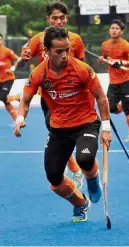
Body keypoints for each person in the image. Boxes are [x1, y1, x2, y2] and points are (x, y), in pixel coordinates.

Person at [14, 27, 112, 222]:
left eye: (67, 49)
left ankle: (92, 181)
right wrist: (19, 118)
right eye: (59, 51)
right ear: (47, 51)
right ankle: (80, 203)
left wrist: (106, 128)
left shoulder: (82, 69)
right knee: (54, 178)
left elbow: (101, 97)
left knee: (84, 159)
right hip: (59, 128)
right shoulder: (39, 74)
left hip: (86, 123)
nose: (65, 55)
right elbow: (25, 101)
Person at [20, 1, 86, 188]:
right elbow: (25, 58)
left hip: (73, 96)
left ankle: (77, 169)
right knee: (57, 133)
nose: (58, 21)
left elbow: (83, 67)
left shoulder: (76, 39)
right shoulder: (39, 39)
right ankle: (74, 169)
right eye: (54, 18)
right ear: (48, 19)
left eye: (62, 17)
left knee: (69, 134)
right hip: (50, 98)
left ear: (66, 19)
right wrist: (23, 59)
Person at [97, 19, 129, 142]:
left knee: (126, 108)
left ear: (121, 31)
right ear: (109, 30)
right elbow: (107, 59)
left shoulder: (126, 45)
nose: (114, 30)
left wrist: (123, 62)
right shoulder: (105, 45)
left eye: (117, 28)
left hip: (126, 80)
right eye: (112, 28)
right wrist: (102, 59)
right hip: (113, 82)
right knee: (110, 108)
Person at [0, 33, 23, 122]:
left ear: (2, 40)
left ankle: (17, 97)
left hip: (8, 79)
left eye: (0, 39)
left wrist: (12, 68)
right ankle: (17, 119)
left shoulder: (7, 51)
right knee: (5, 100)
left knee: (2, 97)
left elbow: (19, 59)